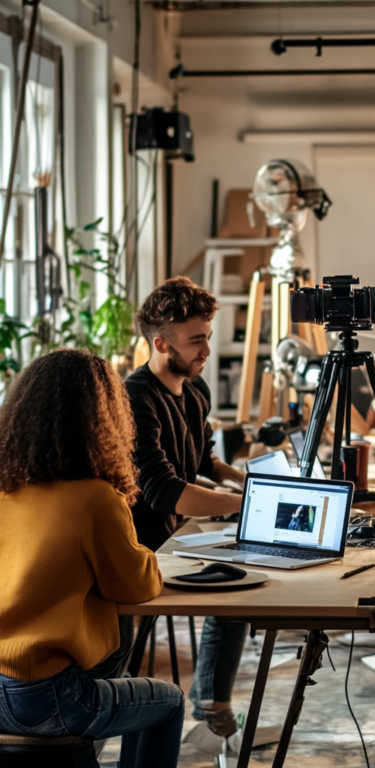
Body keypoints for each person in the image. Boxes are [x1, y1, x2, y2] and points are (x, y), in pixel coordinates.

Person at [0, 349, 184, 768]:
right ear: (102, 420)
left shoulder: (5, 489)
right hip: (45, 698)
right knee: (168, 701)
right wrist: (145, 554)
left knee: (117, 670)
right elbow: (136, 586)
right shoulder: (96, 499)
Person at [126, 276, 247, 740]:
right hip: (142, 545)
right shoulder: (135, 398)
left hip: (177, 533)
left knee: (247, 567)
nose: (207, 352)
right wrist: (247, 505)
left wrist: (248, 481)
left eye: (207, 338)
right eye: (196, 341)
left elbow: (202, 461)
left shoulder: (195, 392)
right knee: (240, 569)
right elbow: (163, 489)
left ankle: (212, 697)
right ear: (161, 343)